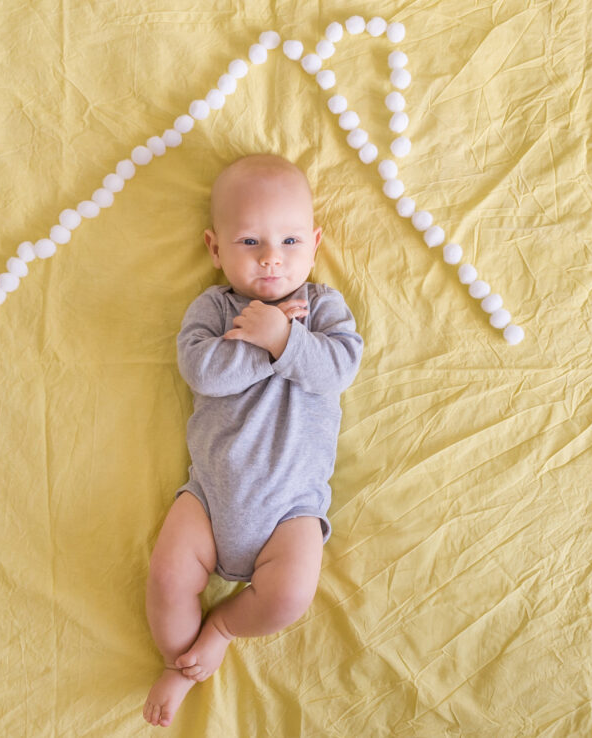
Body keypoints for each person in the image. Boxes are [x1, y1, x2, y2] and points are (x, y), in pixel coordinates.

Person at [142, 154, 364, 727]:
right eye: (250, 241)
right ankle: (180, 662)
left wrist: (286, 339)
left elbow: (337, 370)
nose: (272, 257)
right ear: (216, 249)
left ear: (315, 243)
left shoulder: (320, 310)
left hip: (291, 510)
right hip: (210, 497)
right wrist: (259, 342)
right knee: (167, 576)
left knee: (290, 595)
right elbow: (203, 372)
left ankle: (220, 627)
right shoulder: (213, 310)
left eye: (290, 240)